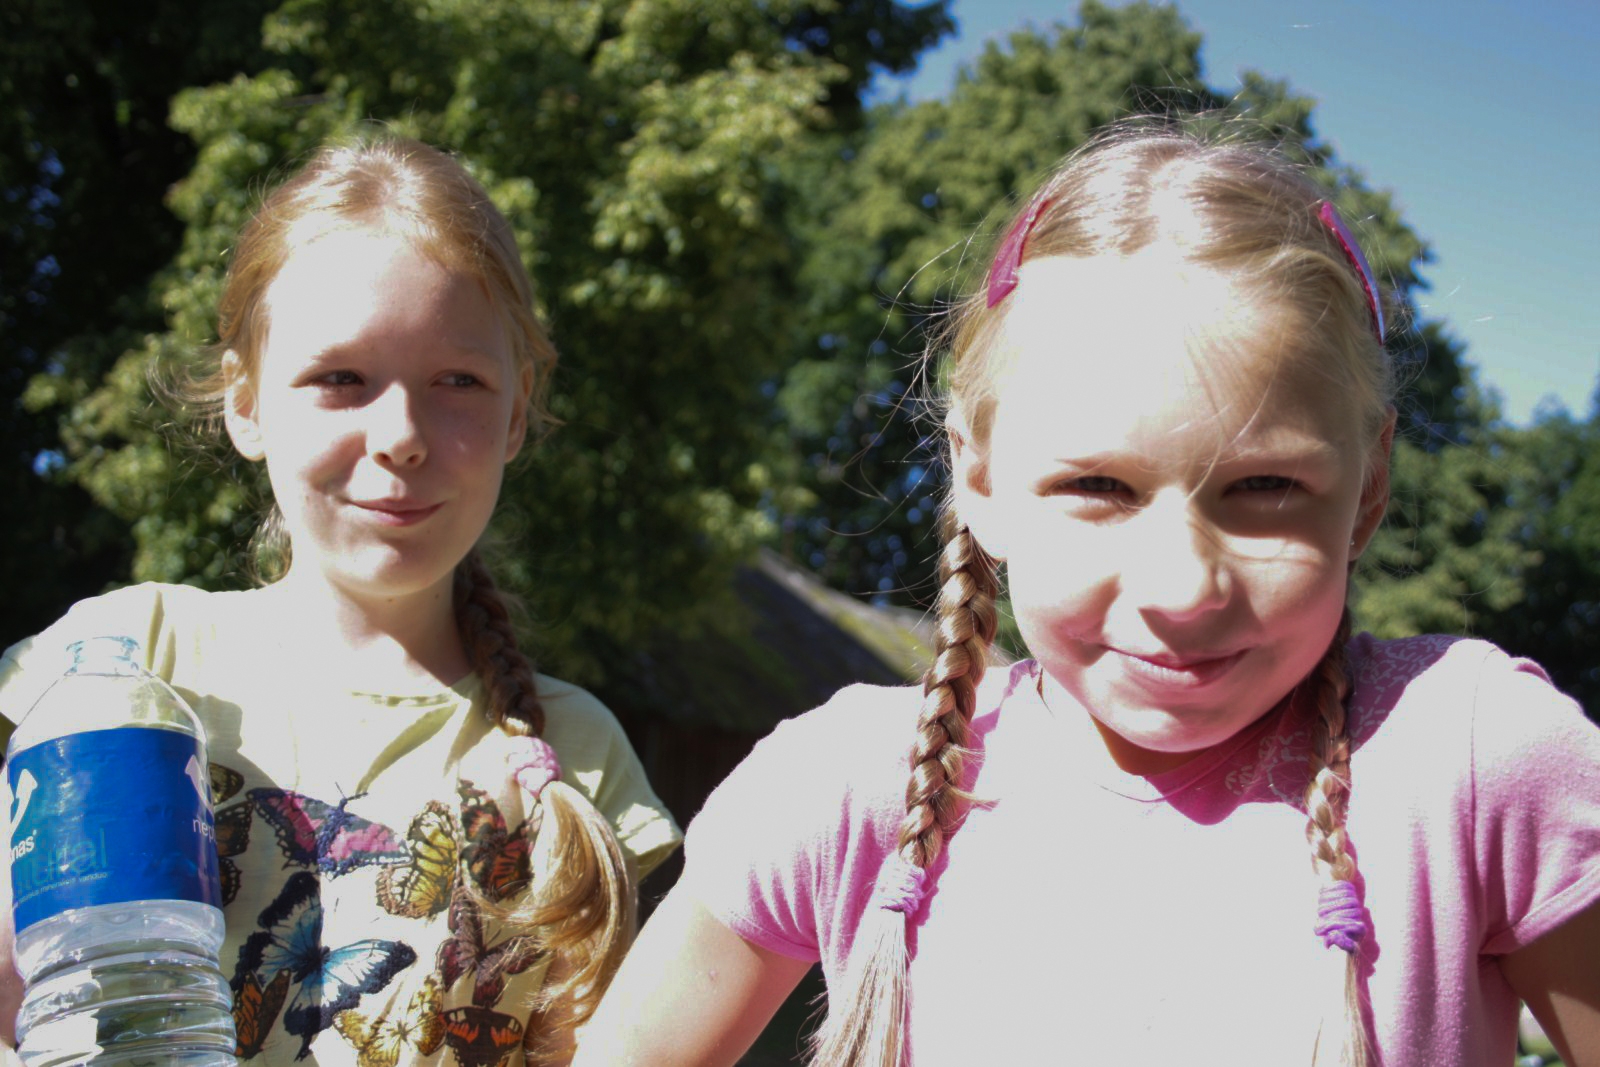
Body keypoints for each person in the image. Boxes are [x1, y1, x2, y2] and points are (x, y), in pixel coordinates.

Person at [574, 125, 1600, 1066]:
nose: (1185, 589)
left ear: (1368, 488)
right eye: (1099, 487)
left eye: (1266, 488)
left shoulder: (1474, 763)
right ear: (978, 479)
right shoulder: (843, 788)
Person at [0, 136, 681, 1067]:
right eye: (340, 379)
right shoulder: (126, 662)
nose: (401, 435)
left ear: (517, 412)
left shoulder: (577, 753)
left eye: (459, 381)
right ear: (246, 403)